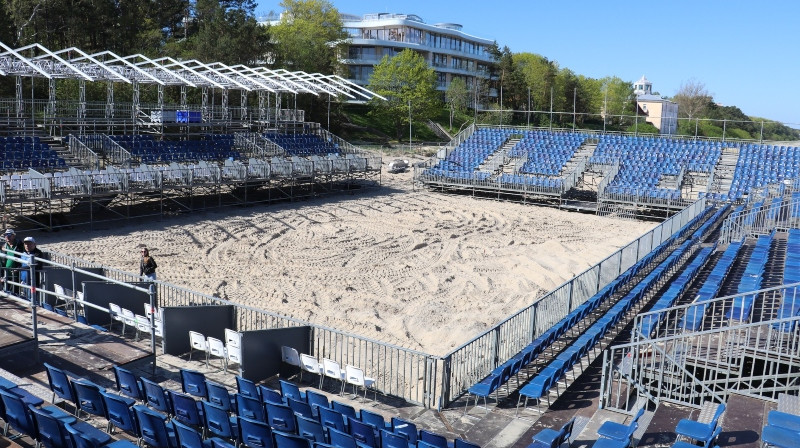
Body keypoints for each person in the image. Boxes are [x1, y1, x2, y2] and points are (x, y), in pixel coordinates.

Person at [20, 236, 45, 301]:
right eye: (25, 244)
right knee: (24, 298)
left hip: (33, 281)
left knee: (32, 299)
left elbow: (35, 265)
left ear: (34, 244)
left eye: (29, 244)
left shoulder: (38, 253)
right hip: (24, 280)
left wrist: (20, 268)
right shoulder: (23, 252)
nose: (27, 246)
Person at [3, 229, 24, 294]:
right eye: (5, 235)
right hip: (6, 272)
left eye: (9, 235)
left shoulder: (20, 245)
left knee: (15, 291)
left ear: (13, 236)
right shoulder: (5, 246)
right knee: (6, 290)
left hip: (16, 272)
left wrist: (19, 268)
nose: (7, 236)